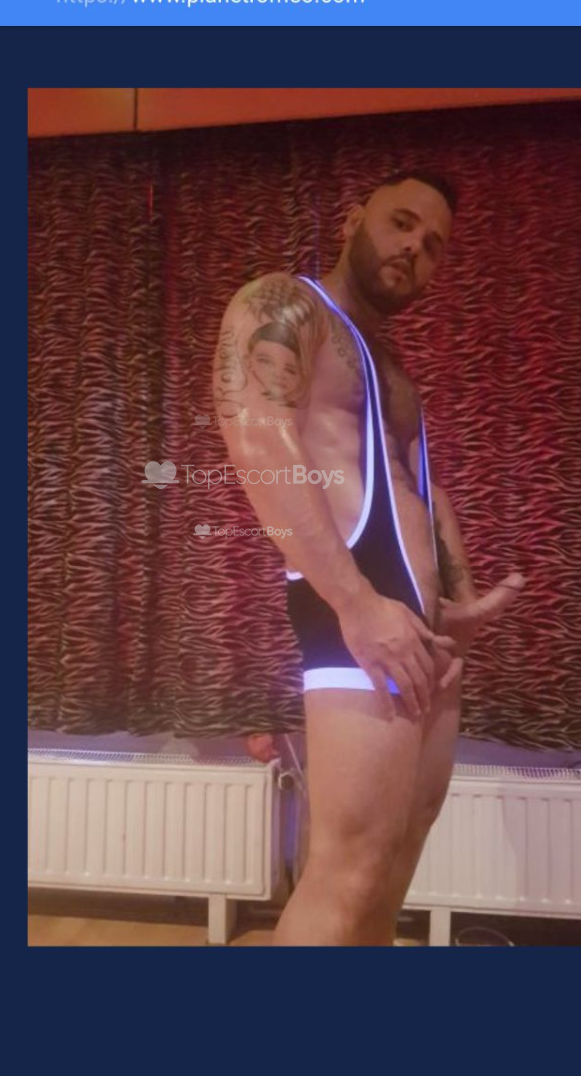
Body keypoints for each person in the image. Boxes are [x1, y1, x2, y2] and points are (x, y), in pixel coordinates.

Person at [212, 170, 526, 946]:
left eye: (434, 245)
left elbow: (423, 489)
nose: (415, 248)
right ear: (353, 218)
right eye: (401, 223)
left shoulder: (390, 370)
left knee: (394, 857)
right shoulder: (286, 304)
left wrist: (457, 601)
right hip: (354, 601)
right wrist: (353, 601)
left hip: (421, 625)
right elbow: (257, 441)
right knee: (346, 871)